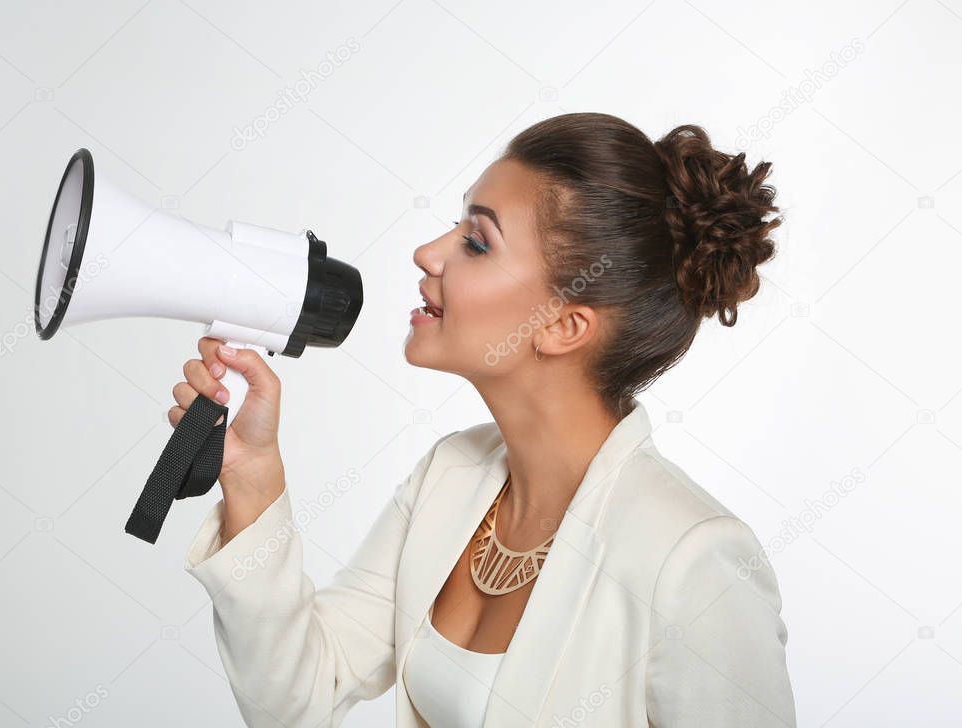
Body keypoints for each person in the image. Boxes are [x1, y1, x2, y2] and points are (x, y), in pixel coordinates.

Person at [172, 112, 796, 727]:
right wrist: (252, 476)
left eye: (476, 242)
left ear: (562, 325)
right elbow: (301, 697)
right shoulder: (450, 474)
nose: (426, 254)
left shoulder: (694, 559)